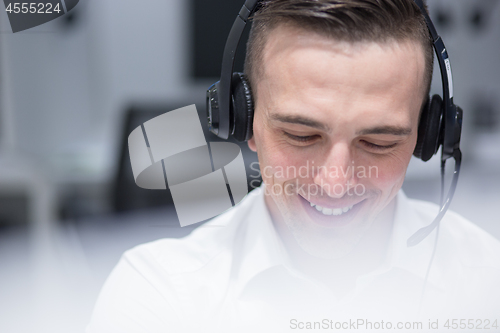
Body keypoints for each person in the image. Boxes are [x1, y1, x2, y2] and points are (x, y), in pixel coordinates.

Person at [86, 1, 500, 332]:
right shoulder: (157, 295)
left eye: (377, 143)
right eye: (302, 136)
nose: (335, 183)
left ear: (427, 136)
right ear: (243, 122)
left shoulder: (484, 283)